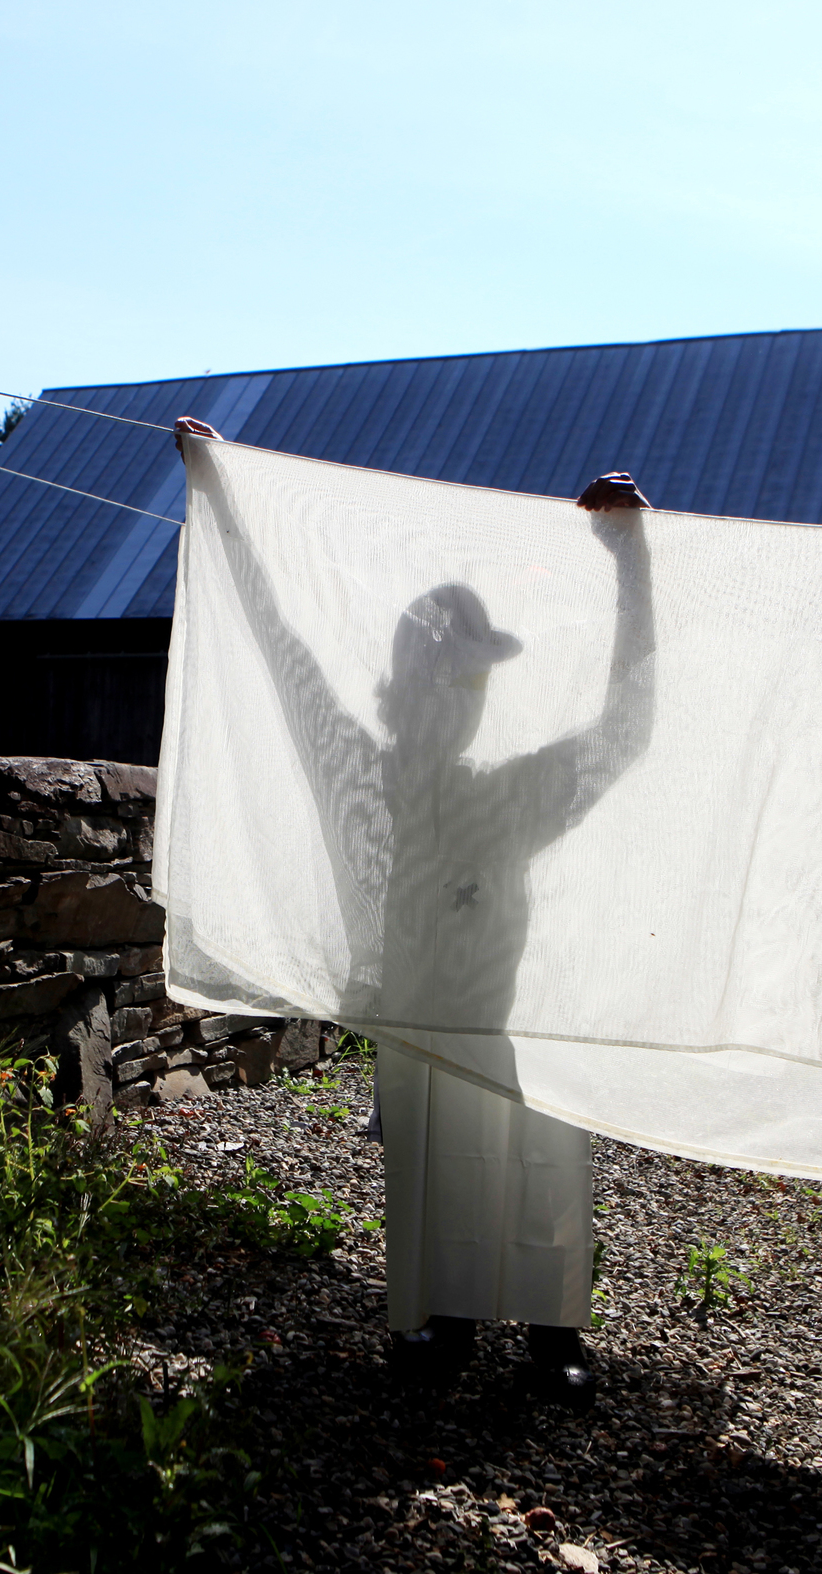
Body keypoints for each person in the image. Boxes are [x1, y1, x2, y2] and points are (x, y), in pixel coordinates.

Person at [178, 418, 656, 1402]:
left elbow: (623, 728)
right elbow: (283, 652)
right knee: (432, 1164)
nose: (462, 699)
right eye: (448, 678)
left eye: (475, 682)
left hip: (498, 1023)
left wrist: (629, 566)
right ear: (405, 687)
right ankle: (447, 1314)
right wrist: (226, 500)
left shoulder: (508, 798)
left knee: (539, 1157)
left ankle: (552, 1324)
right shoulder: (365, 774)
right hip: (412, 1025)